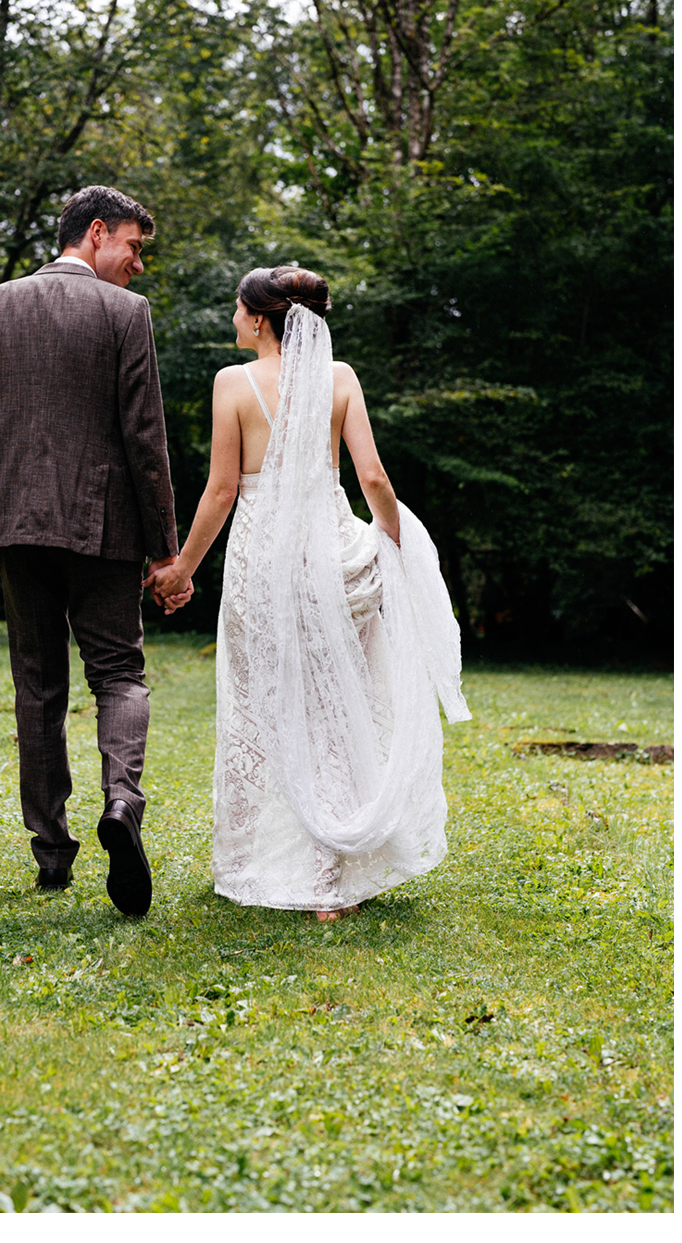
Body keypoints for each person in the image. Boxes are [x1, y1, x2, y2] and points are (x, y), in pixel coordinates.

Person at [148, 266, 469, 918]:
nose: (233, 319)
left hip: (264, 556)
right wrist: (398, 544)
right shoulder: (340, 378)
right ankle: (332, 877)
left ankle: (268, 862)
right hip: (331, 549)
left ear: (259, 318)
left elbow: (220, 490)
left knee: (264, 707)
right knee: (332, 706)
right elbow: (373, 477)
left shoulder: (232, 384)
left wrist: (182, 569)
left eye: (238, 310)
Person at [0, 186, 181, 918]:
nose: (139, 265)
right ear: (97, 231)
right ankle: (122, 804)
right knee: (118, 673)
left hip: (14, 524)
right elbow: (146, 441)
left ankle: (52, 852)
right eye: (135, 248)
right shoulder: (125, 316)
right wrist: (164, 549)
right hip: (103, 526)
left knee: (37, 685)